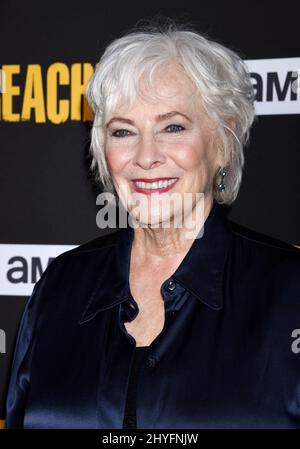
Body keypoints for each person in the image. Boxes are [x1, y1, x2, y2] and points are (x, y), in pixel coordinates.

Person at [5, 21, 300, 429]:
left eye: (173, 127)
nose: (145, 156)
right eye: (123, 131)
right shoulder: (61, 285)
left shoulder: (290, 290)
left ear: (223, 142)